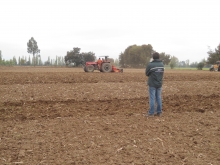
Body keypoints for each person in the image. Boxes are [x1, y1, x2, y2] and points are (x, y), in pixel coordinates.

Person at [145, 52, 164, 117]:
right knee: (158, 97)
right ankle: (159, 112)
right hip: (159, 84)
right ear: (159, 57)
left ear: (153, 57)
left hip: (152, 84)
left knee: (152, 98)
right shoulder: (162, 64)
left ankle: (151, 113)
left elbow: (147, 73)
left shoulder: (151, 65)